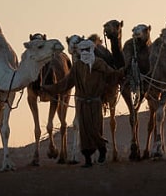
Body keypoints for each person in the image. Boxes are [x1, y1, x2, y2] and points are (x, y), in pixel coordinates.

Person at [47, 38, 123, 167]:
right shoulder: (77, 67)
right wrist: (50, 88)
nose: (85, 53)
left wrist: (123, 72)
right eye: (82, 50)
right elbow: (67, 82)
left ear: (92, 49)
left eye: (87, 50)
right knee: (84, 131)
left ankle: (102, 149)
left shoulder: (100, 64)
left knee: (95, 129)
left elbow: (112, 76)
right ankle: (88, 159)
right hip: (82, 103)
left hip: (95, 102)